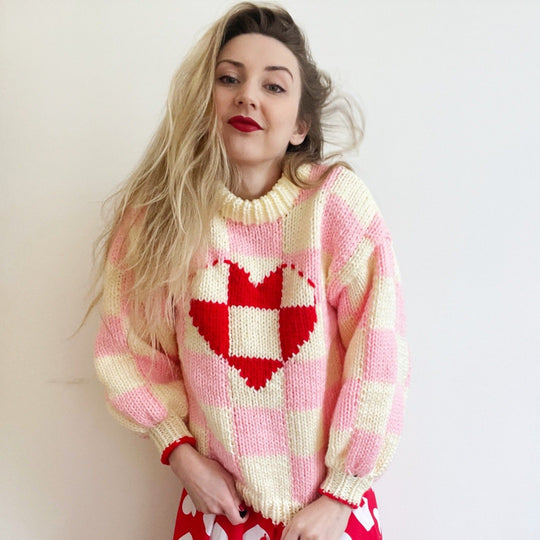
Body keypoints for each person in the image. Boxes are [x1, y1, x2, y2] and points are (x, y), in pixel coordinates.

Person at [91, 3, 410, 539]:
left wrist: (341, 495)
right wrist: (181, 454)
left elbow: (380, 355)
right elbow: (128, 347)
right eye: (229, 78)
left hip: (329, 514)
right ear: (204, 100)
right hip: (219, 513)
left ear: (300, 126)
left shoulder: (335, 208)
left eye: (274, 86)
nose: (247, 96)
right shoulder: (160, 216)